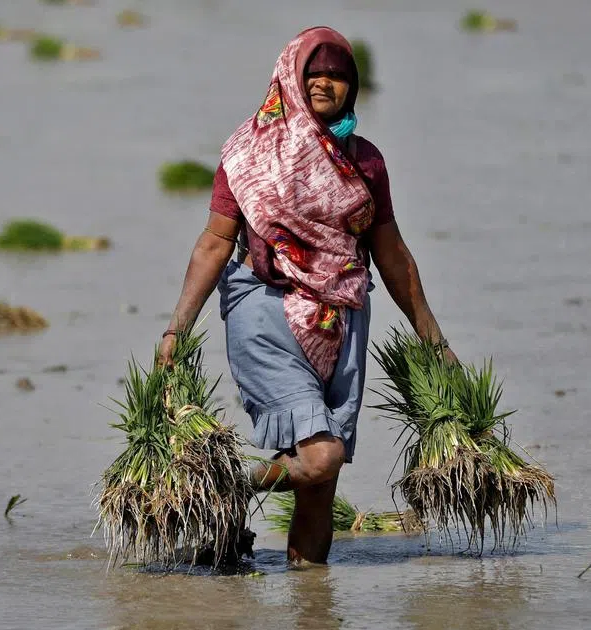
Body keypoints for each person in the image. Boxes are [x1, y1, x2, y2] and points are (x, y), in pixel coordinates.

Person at [158, 26, 454, 565]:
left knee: (321, 487)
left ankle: (312, 606)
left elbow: (392, 255)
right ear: (289, 79)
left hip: (341, 321)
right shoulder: (249, 155)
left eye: (338, 75)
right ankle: (227, 486)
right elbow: (215, 244)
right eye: (312, 73)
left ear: (354, 86)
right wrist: (177, 327)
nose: (324, 83)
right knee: (321, 457)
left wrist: (434, 341)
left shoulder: (365, 161)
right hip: (265, 313)